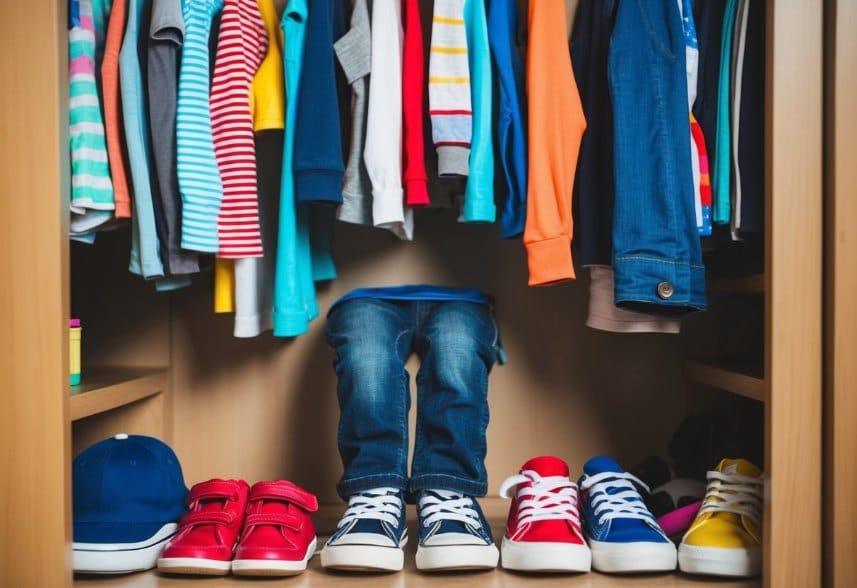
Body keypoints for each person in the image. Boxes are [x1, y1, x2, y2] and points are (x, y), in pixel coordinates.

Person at [319, 285, 504, 572]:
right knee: (369, 360)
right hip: (364, 297)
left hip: (461, 297)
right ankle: (374, 490)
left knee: (457, 349)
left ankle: (448, 490)